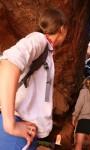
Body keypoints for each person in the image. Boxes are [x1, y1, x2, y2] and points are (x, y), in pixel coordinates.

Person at [0, 6, 67, 150]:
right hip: (15, 134)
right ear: (62, 29)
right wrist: (10, 124)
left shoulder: (46, 51)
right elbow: (8, 63)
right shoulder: (39, 40)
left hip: (25, 133)